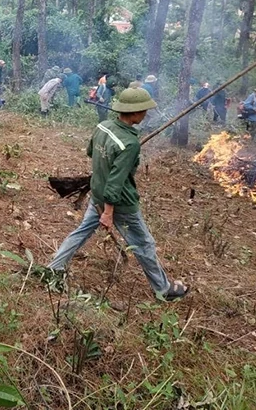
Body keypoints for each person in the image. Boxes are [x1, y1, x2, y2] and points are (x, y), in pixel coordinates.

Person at [48, 87, 189, 301]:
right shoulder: (130, 143)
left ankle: (53, 267)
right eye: (143, 110)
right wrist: (108, 212)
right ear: (133, 113)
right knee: (144, 244)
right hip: (120, 204)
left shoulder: (103, 127)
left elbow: (90, 152)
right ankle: (164, 290)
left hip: (97, 194)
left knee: (81, 232)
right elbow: (116, 181)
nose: (145, 114)